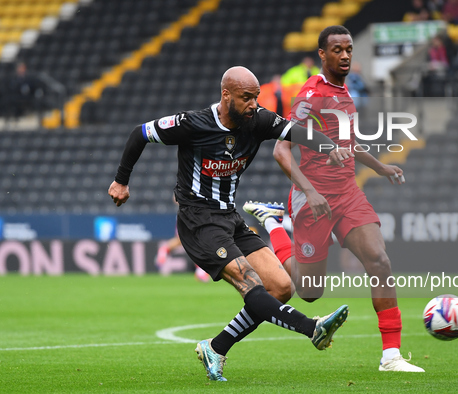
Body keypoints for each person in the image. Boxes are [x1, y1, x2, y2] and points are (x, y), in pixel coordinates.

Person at [108, 66, 353, 382]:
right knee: (250, 284)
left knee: (280, 287)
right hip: (198, 221)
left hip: (230, 218)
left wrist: (329, 146)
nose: (253, 104)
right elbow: (139, 133)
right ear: (226, 95)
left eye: (256, 98)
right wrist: (121, 181)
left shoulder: (258, 121)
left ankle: (216, 347)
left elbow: (297, 132)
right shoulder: (192, 124)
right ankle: (311, 328)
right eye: (246, 98)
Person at [245, 26, 424, 373]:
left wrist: (380, 166)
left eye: (349, 49)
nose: (344, 55)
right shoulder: (311, 95)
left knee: (380, 262)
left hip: (347, 194)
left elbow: (347, 143)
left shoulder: (344, 93)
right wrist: (309, 192)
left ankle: (391, 356)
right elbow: (281, 150)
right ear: (322, 55)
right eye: (337, 50)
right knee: (309, 291)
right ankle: (272, 222)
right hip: (313, 199)